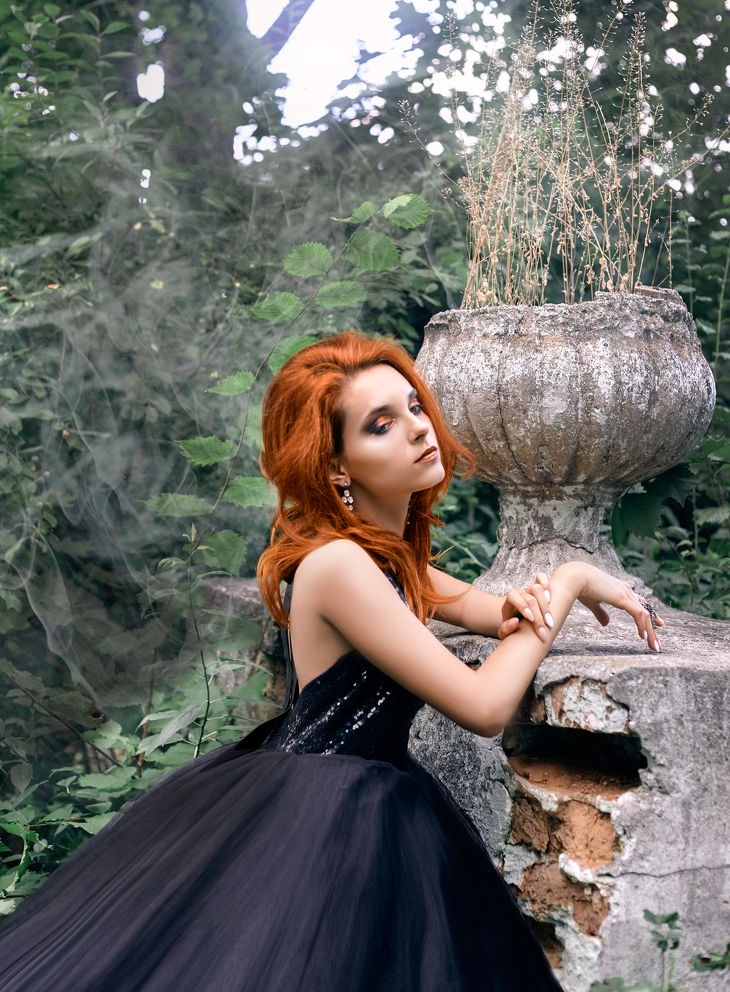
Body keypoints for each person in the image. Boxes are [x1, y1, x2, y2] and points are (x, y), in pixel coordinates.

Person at [0, 330, 664, 991]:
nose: (418, 427)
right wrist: (571, 576)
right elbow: (485, 706)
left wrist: (530, 600)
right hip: (323, 809)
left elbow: (487, 610)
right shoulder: (340, 565)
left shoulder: (382, 557)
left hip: (366, 795)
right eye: (381, 424)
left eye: (414, 406)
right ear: (337, 467)